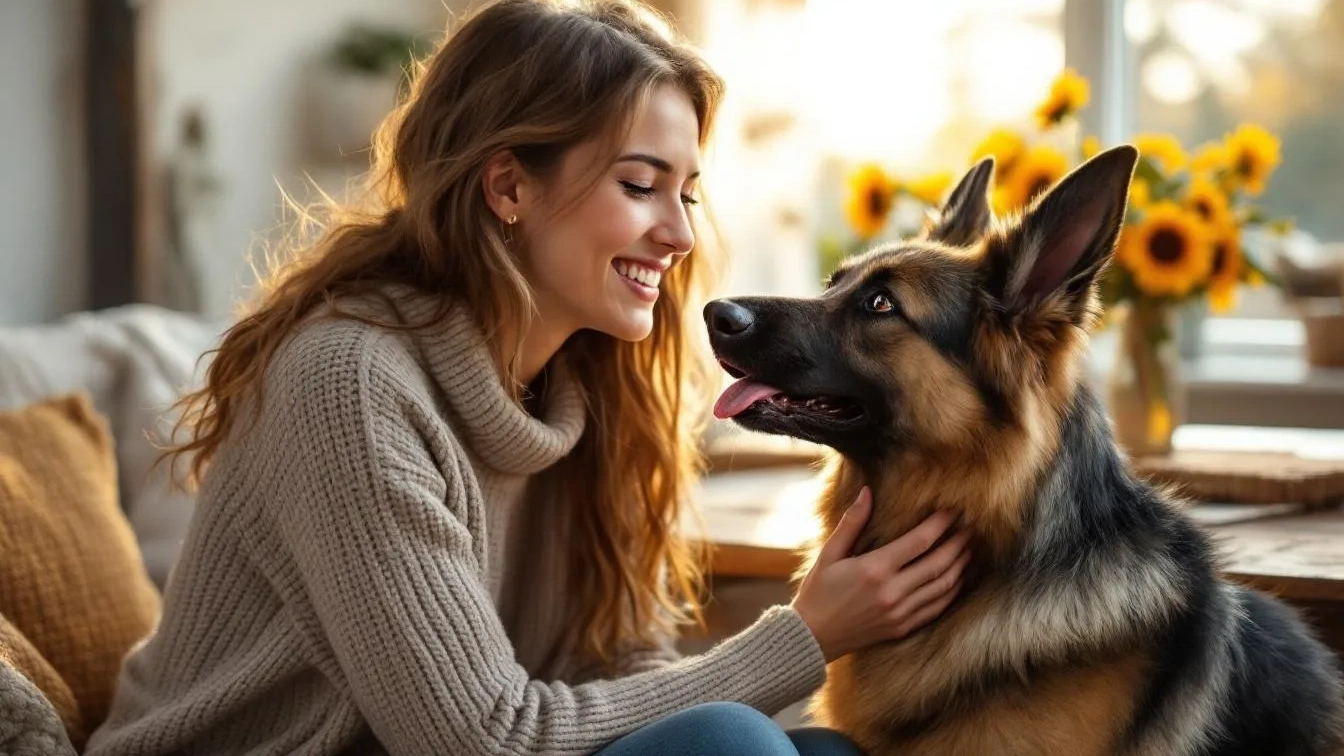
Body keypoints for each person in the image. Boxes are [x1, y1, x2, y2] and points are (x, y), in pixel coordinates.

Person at [85, 1, 972, 754]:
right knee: (731, 744)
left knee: (822, 751)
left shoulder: (589, 387)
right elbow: (481, 739)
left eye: (688, 194)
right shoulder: (348, 383)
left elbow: (614, 662)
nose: (679, 235)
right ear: (508, 187)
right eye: (641, 186)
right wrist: (806, 636)